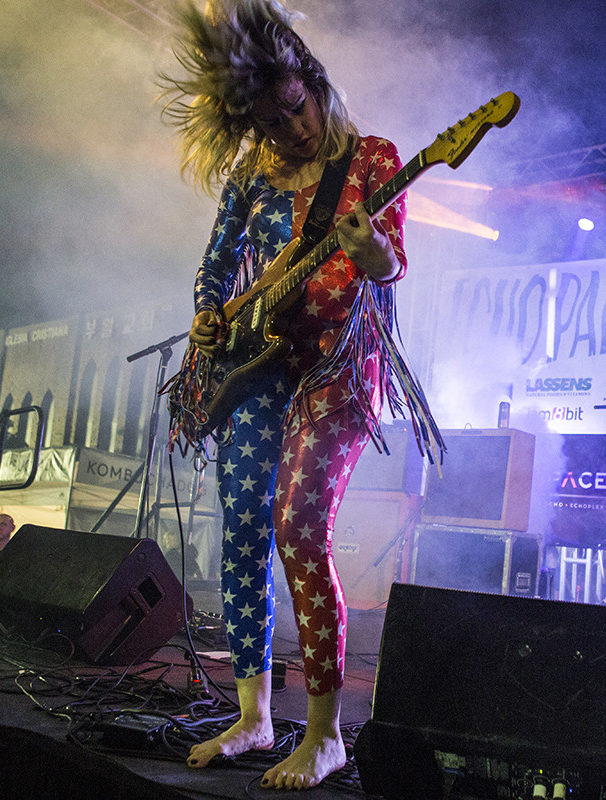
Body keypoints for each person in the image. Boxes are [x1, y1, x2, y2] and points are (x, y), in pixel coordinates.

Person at [160, 0, 439, 789]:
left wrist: (373, 252)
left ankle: (325, 735)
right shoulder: (252, 177)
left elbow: (393, 270)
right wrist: (208, 318)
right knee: (241, 526)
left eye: (296, 109)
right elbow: (214, 269)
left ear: (314, 86)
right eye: (273, 125)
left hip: (342, 369)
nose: (294, 132)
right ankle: (252, 717)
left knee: (298, 524)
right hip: (260, 364)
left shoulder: (375, 160)